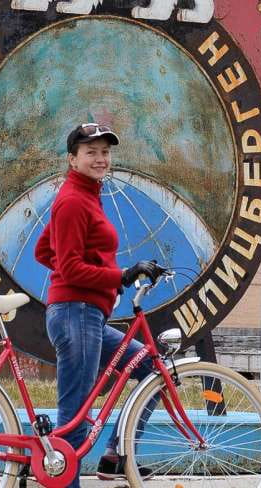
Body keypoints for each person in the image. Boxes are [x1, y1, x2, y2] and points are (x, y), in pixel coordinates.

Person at [34, 122, 162, 485]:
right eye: (91, 152)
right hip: (76, 314)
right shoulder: (74, 201)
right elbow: (71, 267)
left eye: (105, 152)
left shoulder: (86, 195)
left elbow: (44, 250)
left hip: (85, 313)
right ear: (72, 159)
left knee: (151, 369)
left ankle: (115, 455)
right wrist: (117, 277)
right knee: (73, 418)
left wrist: (96, 280)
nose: (100, 158)